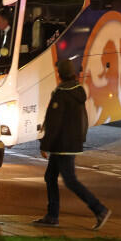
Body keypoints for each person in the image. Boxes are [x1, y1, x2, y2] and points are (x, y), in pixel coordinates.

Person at [33, 59, 111, 230]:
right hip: (70, 143)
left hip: (62, 145)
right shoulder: (77, 91)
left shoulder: (62, 94)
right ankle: (52, 216)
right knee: (50, 177)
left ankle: (99, 209)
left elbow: (54, 123)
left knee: (70, 181)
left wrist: (44, 144)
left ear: (60, 74)